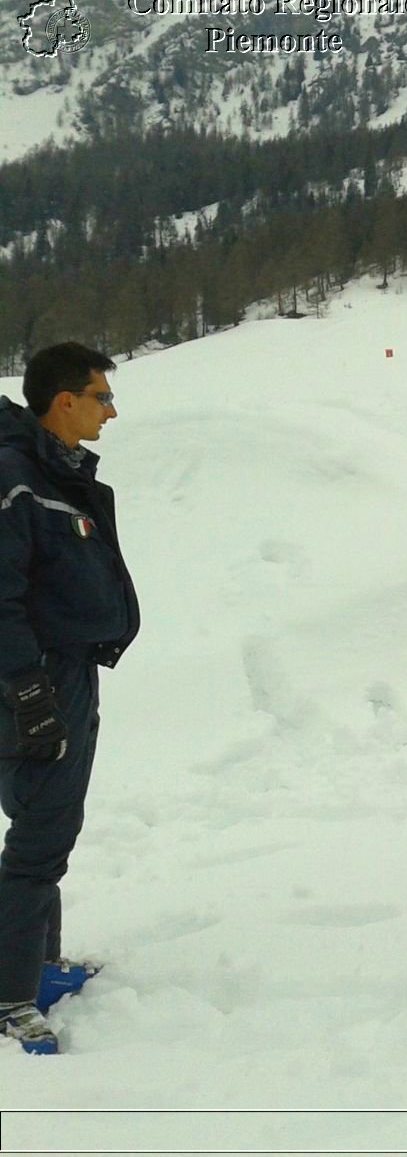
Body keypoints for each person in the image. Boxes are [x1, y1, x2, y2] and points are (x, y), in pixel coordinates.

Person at [0, 343, 139, 1055]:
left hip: (64, 672)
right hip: (37, 678)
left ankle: (40, 967)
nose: (110, 410)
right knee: (38, 841)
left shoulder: (52, 472)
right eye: (101, 397)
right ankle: (11, 997)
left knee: (45, 822)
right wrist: (28, 691)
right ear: (64, 402)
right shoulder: (17, 478)